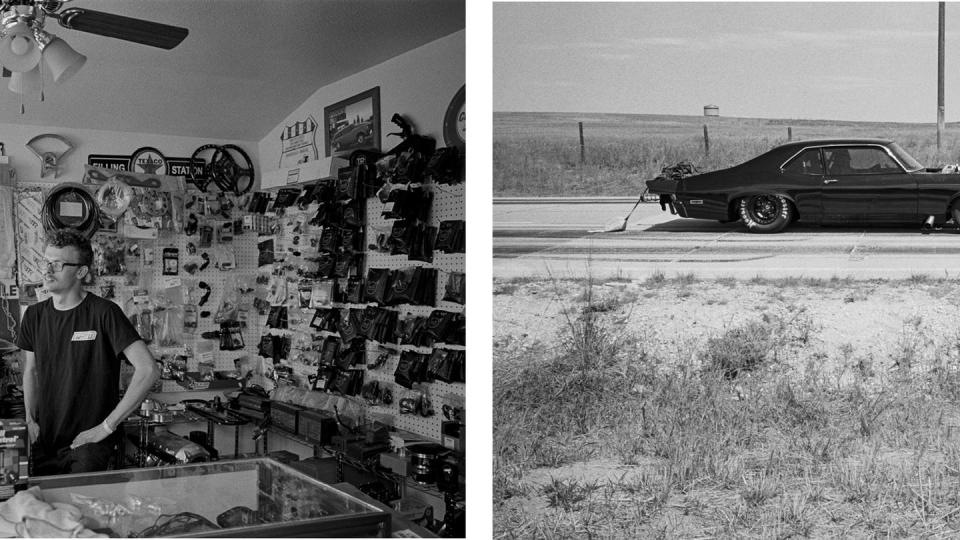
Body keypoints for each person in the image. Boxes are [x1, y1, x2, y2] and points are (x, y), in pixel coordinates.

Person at [16, 228, 160, 475]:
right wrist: (30, 420)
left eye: (57, 264)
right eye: (46, 262)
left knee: (80, 509)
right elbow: (30, 372)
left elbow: (148, 370)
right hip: (45, 441)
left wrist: (105, 428)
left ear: (81, 272)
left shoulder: (105, 313)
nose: (47, 270)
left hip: (88, 444)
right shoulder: (34, 316)